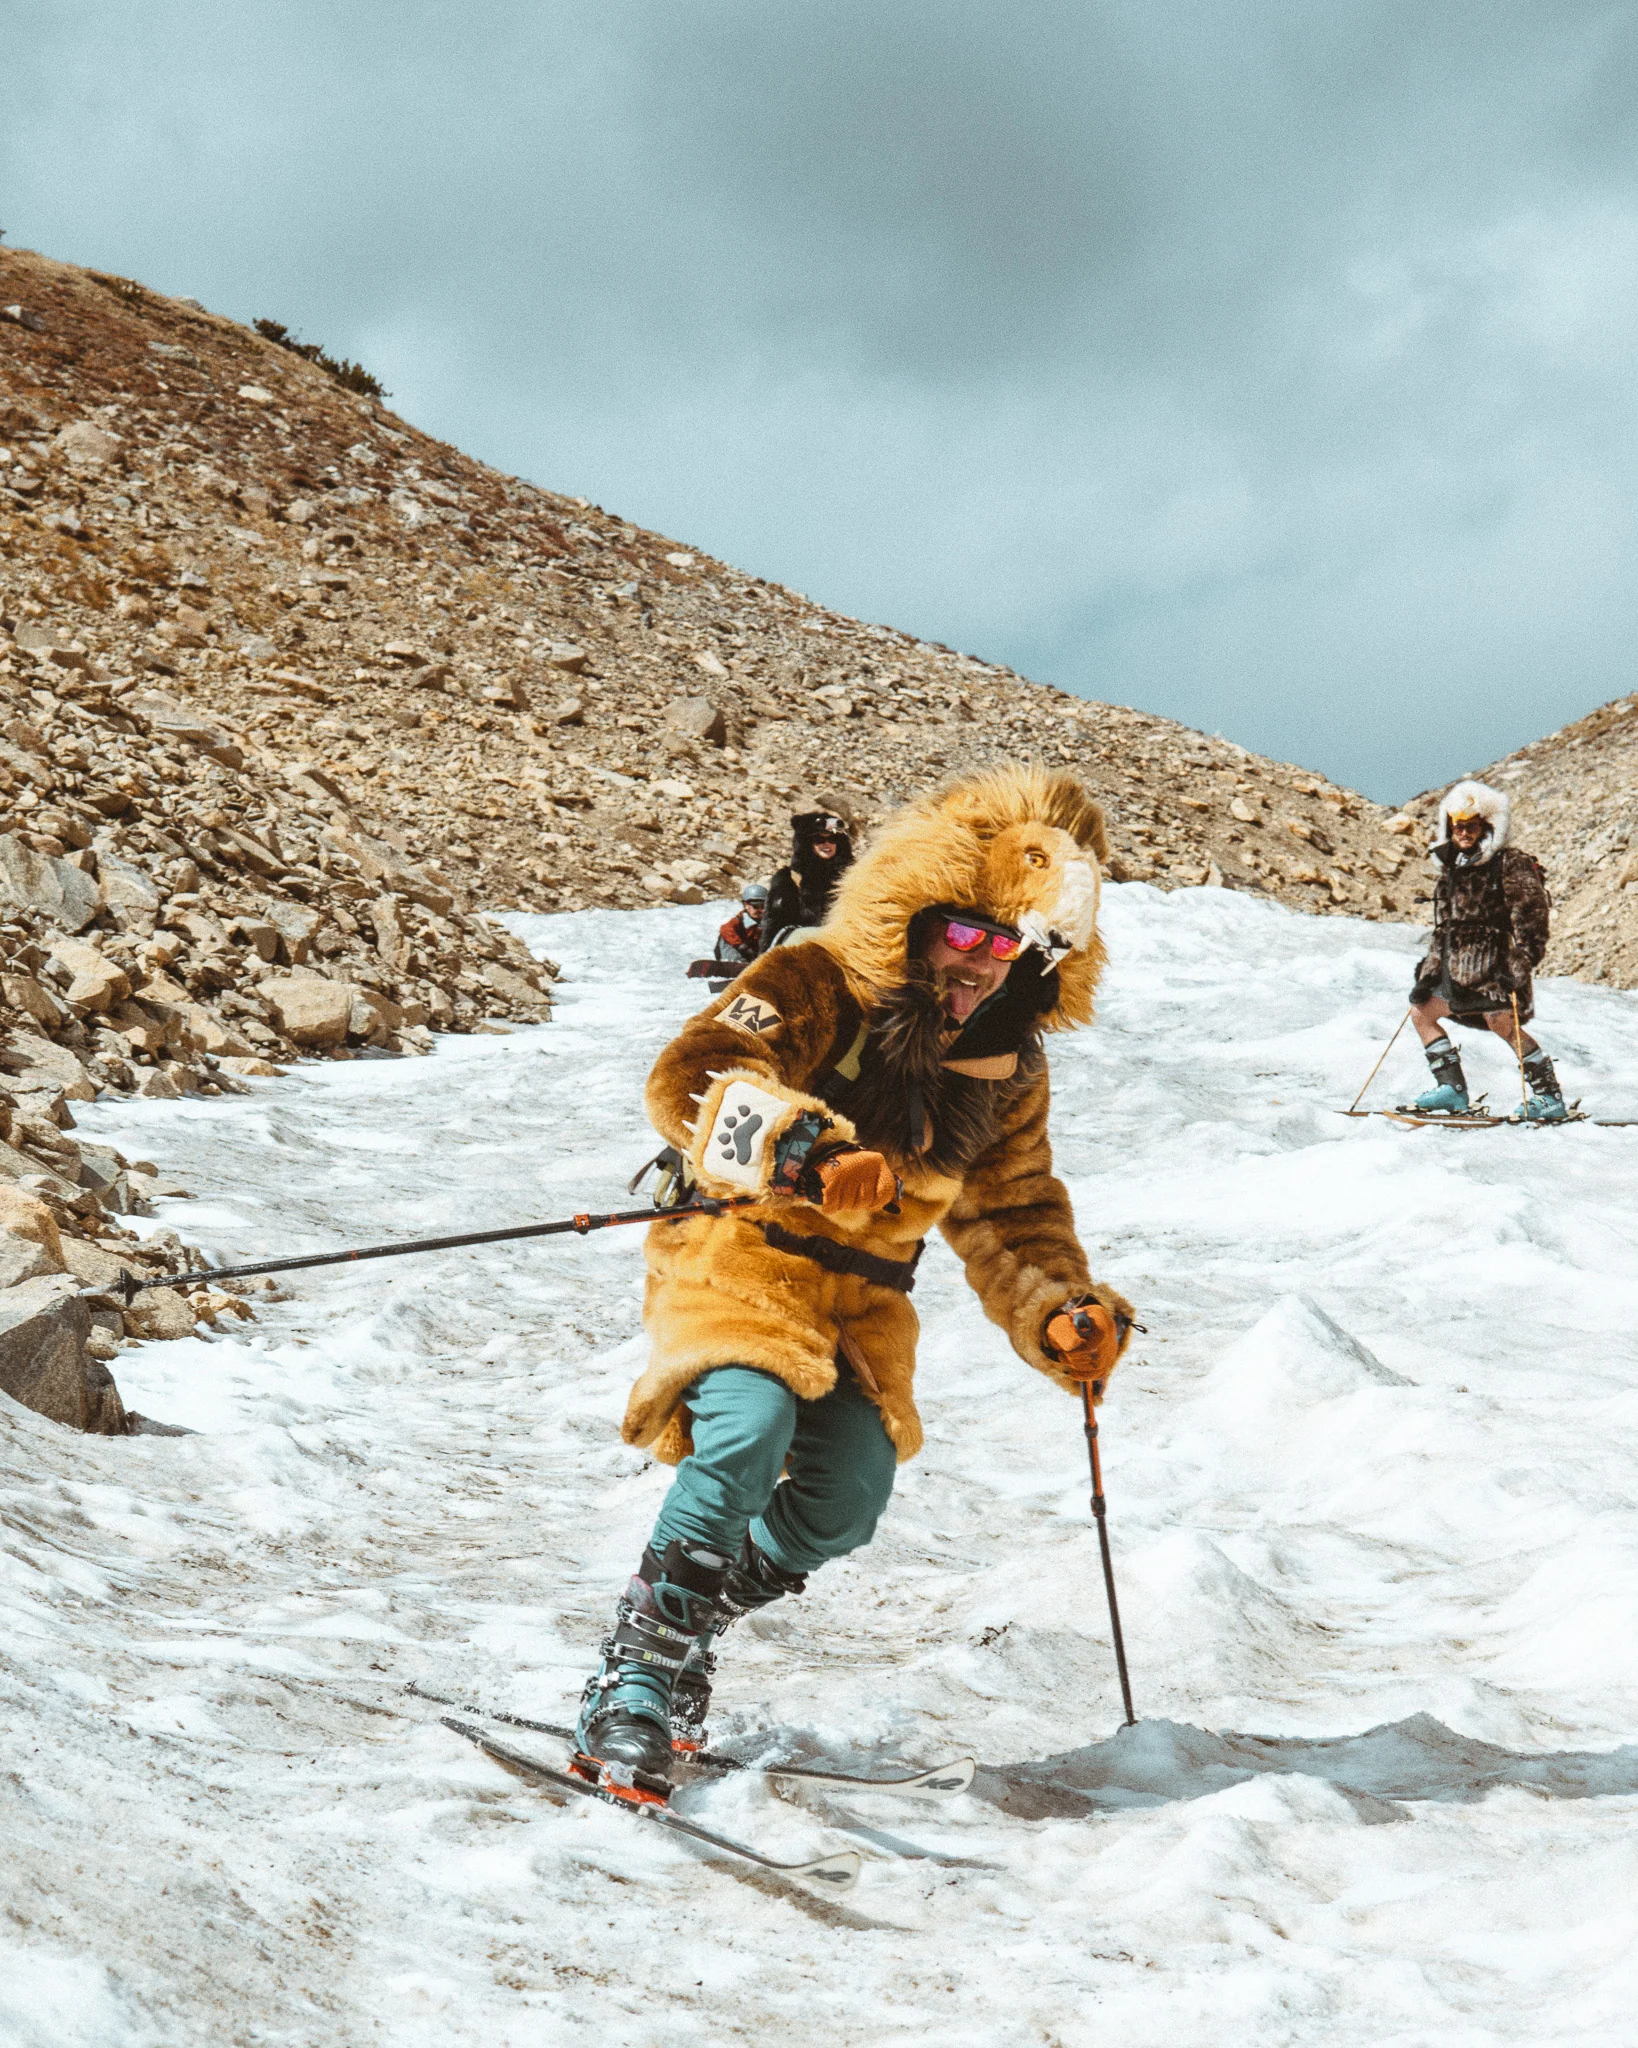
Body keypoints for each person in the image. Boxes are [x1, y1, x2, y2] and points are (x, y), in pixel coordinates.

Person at [573, 766, 1138, 1802]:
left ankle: (693, 1619)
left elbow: (1012, 1211)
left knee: (848, 1498)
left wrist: (1061, 1310)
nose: (974, 968)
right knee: (745, 1429)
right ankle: (637, 1674)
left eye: (1002, 948)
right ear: (917, 913)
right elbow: (689, 1071)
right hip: (739, 1261)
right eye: (960, 935)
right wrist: (803, 1151)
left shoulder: (1005, 1067)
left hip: (864, 1303)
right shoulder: (812, 979)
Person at [1408, 778, 1564, 1120]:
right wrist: (1429, 972)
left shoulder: (1509, 863)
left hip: (1496, 968)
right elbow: (1444, 927)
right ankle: (1452, 1090)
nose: (1464, 832)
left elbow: (1532, 919)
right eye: (1458, 826)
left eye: (1472, 825)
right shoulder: (1452, 869)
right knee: (1422, 1012)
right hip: (1454, 968)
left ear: (1486, 826)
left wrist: (1520, 965)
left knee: (1502, 1023)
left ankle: (1549, 1097)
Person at [759, 809, 854, 949]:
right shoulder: (789, 879)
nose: (826, 844)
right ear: (807, 843)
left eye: (832, 839)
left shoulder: (852, 878)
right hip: (799, 951)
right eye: (819, 840)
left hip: (842, 948)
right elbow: (773, 928)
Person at [714, 882, 767, 971]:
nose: (760, 910)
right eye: (756, 906)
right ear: (745, 905)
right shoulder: (739, 920)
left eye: (763, 906)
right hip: (735, 950)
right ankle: (731, 963)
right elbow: (725, 930)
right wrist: (741, 946)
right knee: (724, 938)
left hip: (751, 955)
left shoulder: (766, 922)